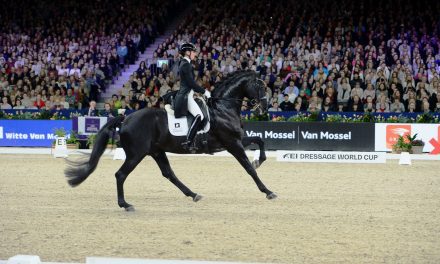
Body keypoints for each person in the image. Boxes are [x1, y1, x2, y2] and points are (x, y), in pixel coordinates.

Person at [174, 42, 211, 149]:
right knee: (199, 115)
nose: (195, 54)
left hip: (189, 94)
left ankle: (197, 138)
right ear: (187, 52)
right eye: (193, 52)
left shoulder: (185, 63)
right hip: (185, 96)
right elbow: (191, 84)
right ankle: (188, 141)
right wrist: (205, 92)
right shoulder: (186, 65)